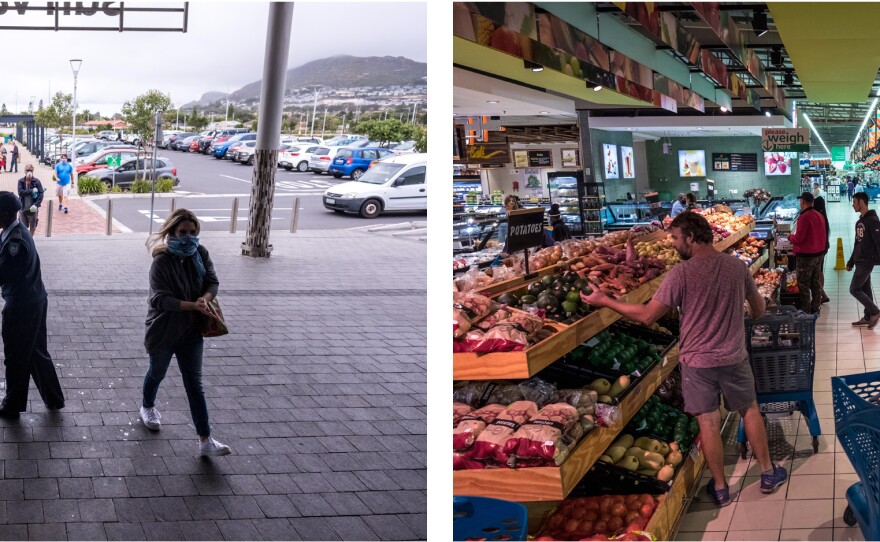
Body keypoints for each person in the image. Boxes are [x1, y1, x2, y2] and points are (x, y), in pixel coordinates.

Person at [580, 212, 787, 507]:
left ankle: (720, 488)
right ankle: (767, 473)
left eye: (676, 238)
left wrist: (606, 301)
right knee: (749, 410)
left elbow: (649, 315)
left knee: (709, 422)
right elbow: (758, 309)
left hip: (697, 362)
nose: (675, 244)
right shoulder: (735, 266)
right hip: (732, 356)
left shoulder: (681, 274)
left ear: (690, 237)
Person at [141, 208, 231, 456]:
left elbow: (212, 280)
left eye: (193, 232)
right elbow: (159, 299)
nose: (188, 237)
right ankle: (147, 405)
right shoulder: (161, 261)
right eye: (183, 232)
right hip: (163, 330)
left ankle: (205, 439)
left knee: (194, 384)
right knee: (156, 373)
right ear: (172, 232)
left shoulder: (200, 254)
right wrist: (192, 305)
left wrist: (205, 297)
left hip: (191, 331)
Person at [0, 192, 65, 419]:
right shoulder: (15, 232)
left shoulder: (14, 242)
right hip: (34, 301)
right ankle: (54, 399)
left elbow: (5, 273)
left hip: (21, 307)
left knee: (16, 356)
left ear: (6, 214)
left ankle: (12, 405)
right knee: (36, 352)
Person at [788, 192, 827, 315]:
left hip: (806, 256)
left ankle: (806, 311)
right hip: (819, 254)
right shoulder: (819, 215)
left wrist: (790, 237)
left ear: (803, 202)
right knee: (815, 281)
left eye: (801, 201)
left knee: (803, 284)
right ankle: (816, 307)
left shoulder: (804, 217)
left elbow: (799, 238)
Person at [847, 192, 880, 328]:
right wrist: (851, 261)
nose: (853, 205)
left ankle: (874, 311)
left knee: (854, 289)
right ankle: (868, 317)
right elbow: (857, 243)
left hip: (867, 261)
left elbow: (879, 242)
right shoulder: (860, 222)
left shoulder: (873, 221)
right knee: (866, 290)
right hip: (859, 260)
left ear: (861, 202)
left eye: (854, 202)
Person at [812, 196, 831, 304]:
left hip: (819, 248)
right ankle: (821, 294)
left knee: (816, 273)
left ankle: (822, 295)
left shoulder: (817, 216)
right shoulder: (823, 216)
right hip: (824, 247)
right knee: (820, 272)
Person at [17, 165, 44, 236]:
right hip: (23, 208)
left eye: (31, 170)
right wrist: (31, 191)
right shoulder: (21, 181)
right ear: (24, 171)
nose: (29, 172)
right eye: (27, 170)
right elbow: (20, 192)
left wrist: (36, 204)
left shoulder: (36, 181)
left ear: (33, 171)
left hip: (33, 208)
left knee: (33, 227)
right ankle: (25, 240)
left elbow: (41, 194)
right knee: (22, 227)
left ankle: (30, 240)